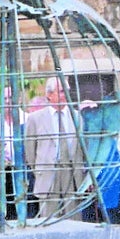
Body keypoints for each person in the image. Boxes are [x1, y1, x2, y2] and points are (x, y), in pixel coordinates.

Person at [24, 76, 81, 219]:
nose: (65, 95)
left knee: (74, 220)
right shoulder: (35, 119)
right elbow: (30, 151)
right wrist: (40, 170)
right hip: (48, 176)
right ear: (49, 95)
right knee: (48, 220)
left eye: (67, 91)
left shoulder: (77, 117)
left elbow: (81, 149)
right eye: (61, 91)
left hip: (72, 176)